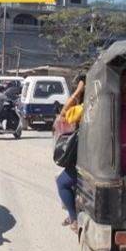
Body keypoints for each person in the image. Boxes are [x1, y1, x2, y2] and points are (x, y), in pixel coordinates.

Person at [54, 76, 85, 231]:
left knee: (62, 182)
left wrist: (77, 92)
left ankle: (74, 218)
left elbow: (63, 114)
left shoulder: (86, 107)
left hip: (86, 159)